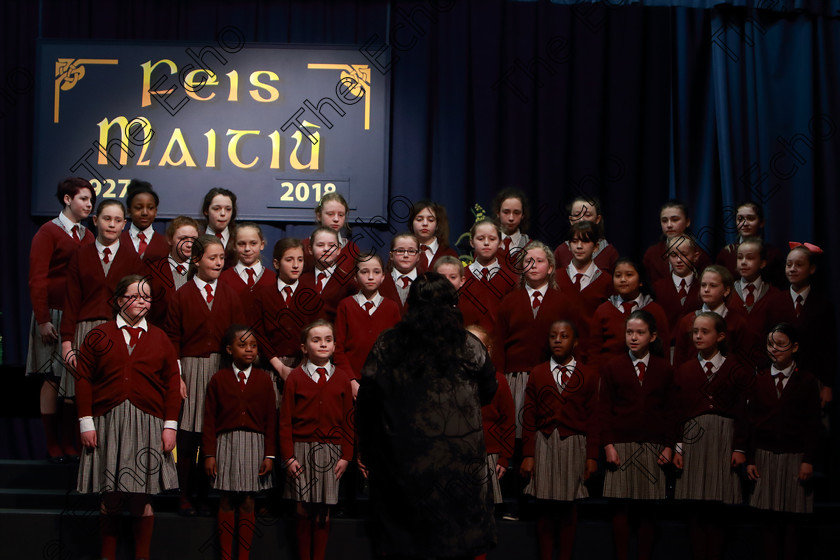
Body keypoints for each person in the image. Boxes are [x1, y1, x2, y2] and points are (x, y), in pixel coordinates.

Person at [357, 273, 498, 559]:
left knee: (405, 544)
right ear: (452, 305)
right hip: (459, 467)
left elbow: (367, 402)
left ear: (411, 304)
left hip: (402, 465)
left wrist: (369, 450)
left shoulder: (388, 344)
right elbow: (489, 391)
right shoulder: (470, 345)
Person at [75, 274, 180, 560]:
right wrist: (86, 421)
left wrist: (170, 427)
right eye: (133, 296)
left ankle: (141, 556)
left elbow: (172, 384)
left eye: (146, 297)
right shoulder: (99, 334)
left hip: (148, 422)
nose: (141, 302)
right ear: (119, 300)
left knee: (141, 495)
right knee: (110, 495)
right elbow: (83, 379)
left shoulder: (160, 338)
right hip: (108, 421)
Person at [164, 234, 245, 515]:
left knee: (213, 437)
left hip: (220, 370)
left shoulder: (230, 295)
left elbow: (238, 336)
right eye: (212, 258)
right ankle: (184, 495)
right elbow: (172, 339)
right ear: (196, 260)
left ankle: (205, 493)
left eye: (222, 258)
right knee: (189, 439)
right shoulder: (182, 296)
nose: (218, 263)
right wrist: (178, 377)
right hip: (191, 369)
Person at [61, 200, 144, 445]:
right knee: (78, 392)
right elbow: (71, 301)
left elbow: (137, 304)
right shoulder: (80, 255)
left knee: (111, 390)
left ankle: (109, 445)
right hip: (84, 331)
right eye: (107, 218)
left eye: (118, 220)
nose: (112, 224)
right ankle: (75, 453)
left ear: (124, 225)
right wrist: (67, 342)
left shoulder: (132, 258)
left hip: (116, 331)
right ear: (95, 220)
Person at [672, 312, 751, 560]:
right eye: (695, 332)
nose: (698, 336)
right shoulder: (685, 370)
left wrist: (739, 448)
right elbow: (676, 412)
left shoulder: (735, 369)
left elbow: (743, 412)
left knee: (717, 505)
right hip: (693, 438)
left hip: (724, 438)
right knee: (696, 505)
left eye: (705, 332)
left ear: (721, 336)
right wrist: (678, 446)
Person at [27, 177, 95, 462]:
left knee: (71, 380)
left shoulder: (88, 235)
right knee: (51, 379)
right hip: (52, 314)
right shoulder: (48, 232)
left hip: (76, 316)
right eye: (83, 199)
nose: (89, 204)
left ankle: (70, 442)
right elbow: (37, 279)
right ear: (67, 199)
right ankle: (52, 443)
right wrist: (43, 320)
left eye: (91, 200)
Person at [599, 310, 675, 560]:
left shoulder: (664, 368)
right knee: (621, 507)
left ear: (652, 336)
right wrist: (608, 444)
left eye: (640, 333)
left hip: (653, 446)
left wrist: (668, 446)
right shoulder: (613, 366)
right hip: (621, 444)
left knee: (647, 510)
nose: (634, 337)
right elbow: (604, 409)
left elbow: (670, 410)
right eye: (630, 332)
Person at [521, 320, 599, 560]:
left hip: (574, 443)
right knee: (544, 505)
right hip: (544, 442)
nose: (557, 340)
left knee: (568, 506)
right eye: (553, 336)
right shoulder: (539, 372)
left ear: (575, 342)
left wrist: (592, 456)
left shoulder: (588, 374)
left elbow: (595, 418)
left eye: (564, 336)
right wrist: (529, 454)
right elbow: (529, 415)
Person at [280, 320, 354, 560]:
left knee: (324, 509)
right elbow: (285, 421)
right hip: (301, 450)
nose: (323, 344)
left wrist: (346, 455)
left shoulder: (342, 377)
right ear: (304, 347)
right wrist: (289, 456)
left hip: (332, 452)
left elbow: (348, 420)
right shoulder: (295, 378)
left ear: (334, 346)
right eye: (316, 340)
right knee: (303, 506)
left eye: (328, 340)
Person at [747, 323, 822, 560]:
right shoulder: (759, 379)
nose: (774, 350)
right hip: (765, 455)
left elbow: (813, 424)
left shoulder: (807, 380)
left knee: (791, 520)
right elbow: (751, 422)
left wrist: (808, 460)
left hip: (794, 456)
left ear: (795, 347)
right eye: (771, 344)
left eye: (780, 344)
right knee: (768, 520)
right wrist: (750, 458)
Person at [203, 325, 276, 560]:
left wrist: (270, 454)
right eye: (242, 345)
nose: (249, 350)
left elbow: (271, 420)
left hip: (254, 444)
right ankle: (226, 556)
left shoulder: (265, 380)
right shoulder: (218, 379)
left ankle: (243, 556)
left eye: (253, 346)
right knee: (226, 499)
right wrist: (209, 454)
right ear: (229, 349)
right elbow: (210, 420)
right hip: (227, 443)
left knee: (247, 500)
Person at [766, 243, 836, 409]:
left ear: (811, 269)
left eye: (799, 265)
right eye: (789, 265)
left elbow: (829, 348)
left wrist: (828, 385)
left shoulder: (823, 304)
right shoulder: (774, 301)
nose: (792, 269)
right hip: (780, 377)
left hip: (813, 379)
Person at [334, 254, 401, 397]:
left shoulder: (392, 307)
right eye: (364, 272)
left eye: (376, 272)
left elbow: (397, 349)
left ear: (383, 276)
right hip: (351, 381)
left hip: (383, 384)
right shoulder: (345, 306)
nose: (370, 277)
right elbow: (338, 349)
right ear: (355, 277)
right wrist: (350, 380)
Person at [584, 258, 669, 370]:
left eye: (629, 275)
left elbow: (663, 350)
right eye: (618, 276)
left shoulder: (654, 310)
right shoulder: (603, 310)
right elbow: (594, 353)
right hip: (610, 377)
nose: (623, 280)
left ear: (641, 281)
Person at [673, 265, 747, 368]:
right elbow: (679, 361)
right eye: (703, 285)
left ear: (726, 291)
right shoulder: (687, 321)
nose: (706, 290)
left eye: (713, 285)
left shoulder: (737, 322)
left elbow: (743, 362)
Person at [651, 235, 702, 360]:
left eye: (684, 255)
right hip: (665, 353)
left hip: (696, 352)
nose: (679, 260)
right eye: (674, 255)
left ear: (695, 256)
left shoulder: (703, 287)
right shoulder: (657, 288)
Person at [716, 201, 784, 289]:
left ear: (761, 222)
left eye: (751, 219)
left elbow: (780, 287)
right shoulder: (726, 253)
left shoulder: (772, 253)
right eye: (740, 219)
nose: (745, 224)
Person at [145, 216, 199, 327]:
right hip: (161, 336)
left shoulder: (202, 270)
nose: (189, 244)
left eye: (193, 239)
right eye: (183, 239)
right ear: (170, 239)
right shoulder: (152, 271)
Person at [642, 200, 711, 284]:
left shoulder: (699, 254)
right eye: (664, 220)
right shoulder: (652, 253)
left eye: (675, 220)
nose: (669, 225)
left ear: (687, 222)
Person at [555, 220, 613, 318]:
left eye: (585, 241)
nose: (579, 246)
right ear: (569, 246)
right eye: (574, 241)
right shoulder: (555, 278)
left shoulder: (606, 281)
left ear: (596, 247)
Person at [301, 227, 357, 323]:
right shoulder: (301, 280)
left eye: (331, 245)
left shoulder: (349, 283)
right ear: (310, 249)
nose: (326, 249)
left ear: (339, 249)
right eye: (320, 245)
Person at [219, 222, 274, 317]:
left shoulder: (273, 279)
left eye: (253, 243)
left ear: (262, 244)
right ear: (234, 246)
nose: (247, 249)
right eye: (241, 244)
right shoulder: (223, 279)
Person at [554, 195, 619, 273]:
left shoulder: (609, 252)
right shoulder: (561, 251)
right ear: (571, 220)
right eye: (577, 215)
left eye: (587, 215)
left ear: (597, 219)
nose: (582, 220)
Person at [301, 192, 361, 274]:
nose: (336, 219)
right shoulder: (303, 246)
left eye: (341, 215)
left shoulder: (352, 249)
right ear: (319, 216)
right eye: (330, 214)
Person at [121, 179, 168, 261]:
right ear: (129, 211)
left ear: (156, 211)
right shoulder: (117, 241)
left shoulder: (166, 244)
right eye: (138, 208)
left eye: (150, 208)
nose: (145, 213)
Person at [409, 200, 459, 273]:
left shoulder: (450, 254)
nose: (425, 223)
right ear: (411, 223)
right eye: (419, 219)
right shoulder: (401, 252)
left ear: (437, 225)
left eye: (431, 220)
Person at [379, 233, 420, 315]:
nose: (405, 255)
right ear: (391, 255)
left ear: (418, 256)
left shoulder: (427, 282)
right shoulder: (381, 281)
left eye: (411, 251)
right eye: (400, 251)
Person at [492, 188, 531, 271]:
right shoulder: (486, 245)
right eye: (506, 212)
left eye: (516, 213)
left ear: (523, 215)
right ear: (498, 213)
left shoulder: (530, 247)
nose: (511, 218)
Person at [200, 187, 238, 269]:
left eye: (228, 209)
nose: (223, 213)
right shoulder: (196, 237)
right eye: (217, 209)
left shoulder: (238, 239)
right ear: (206, 211)